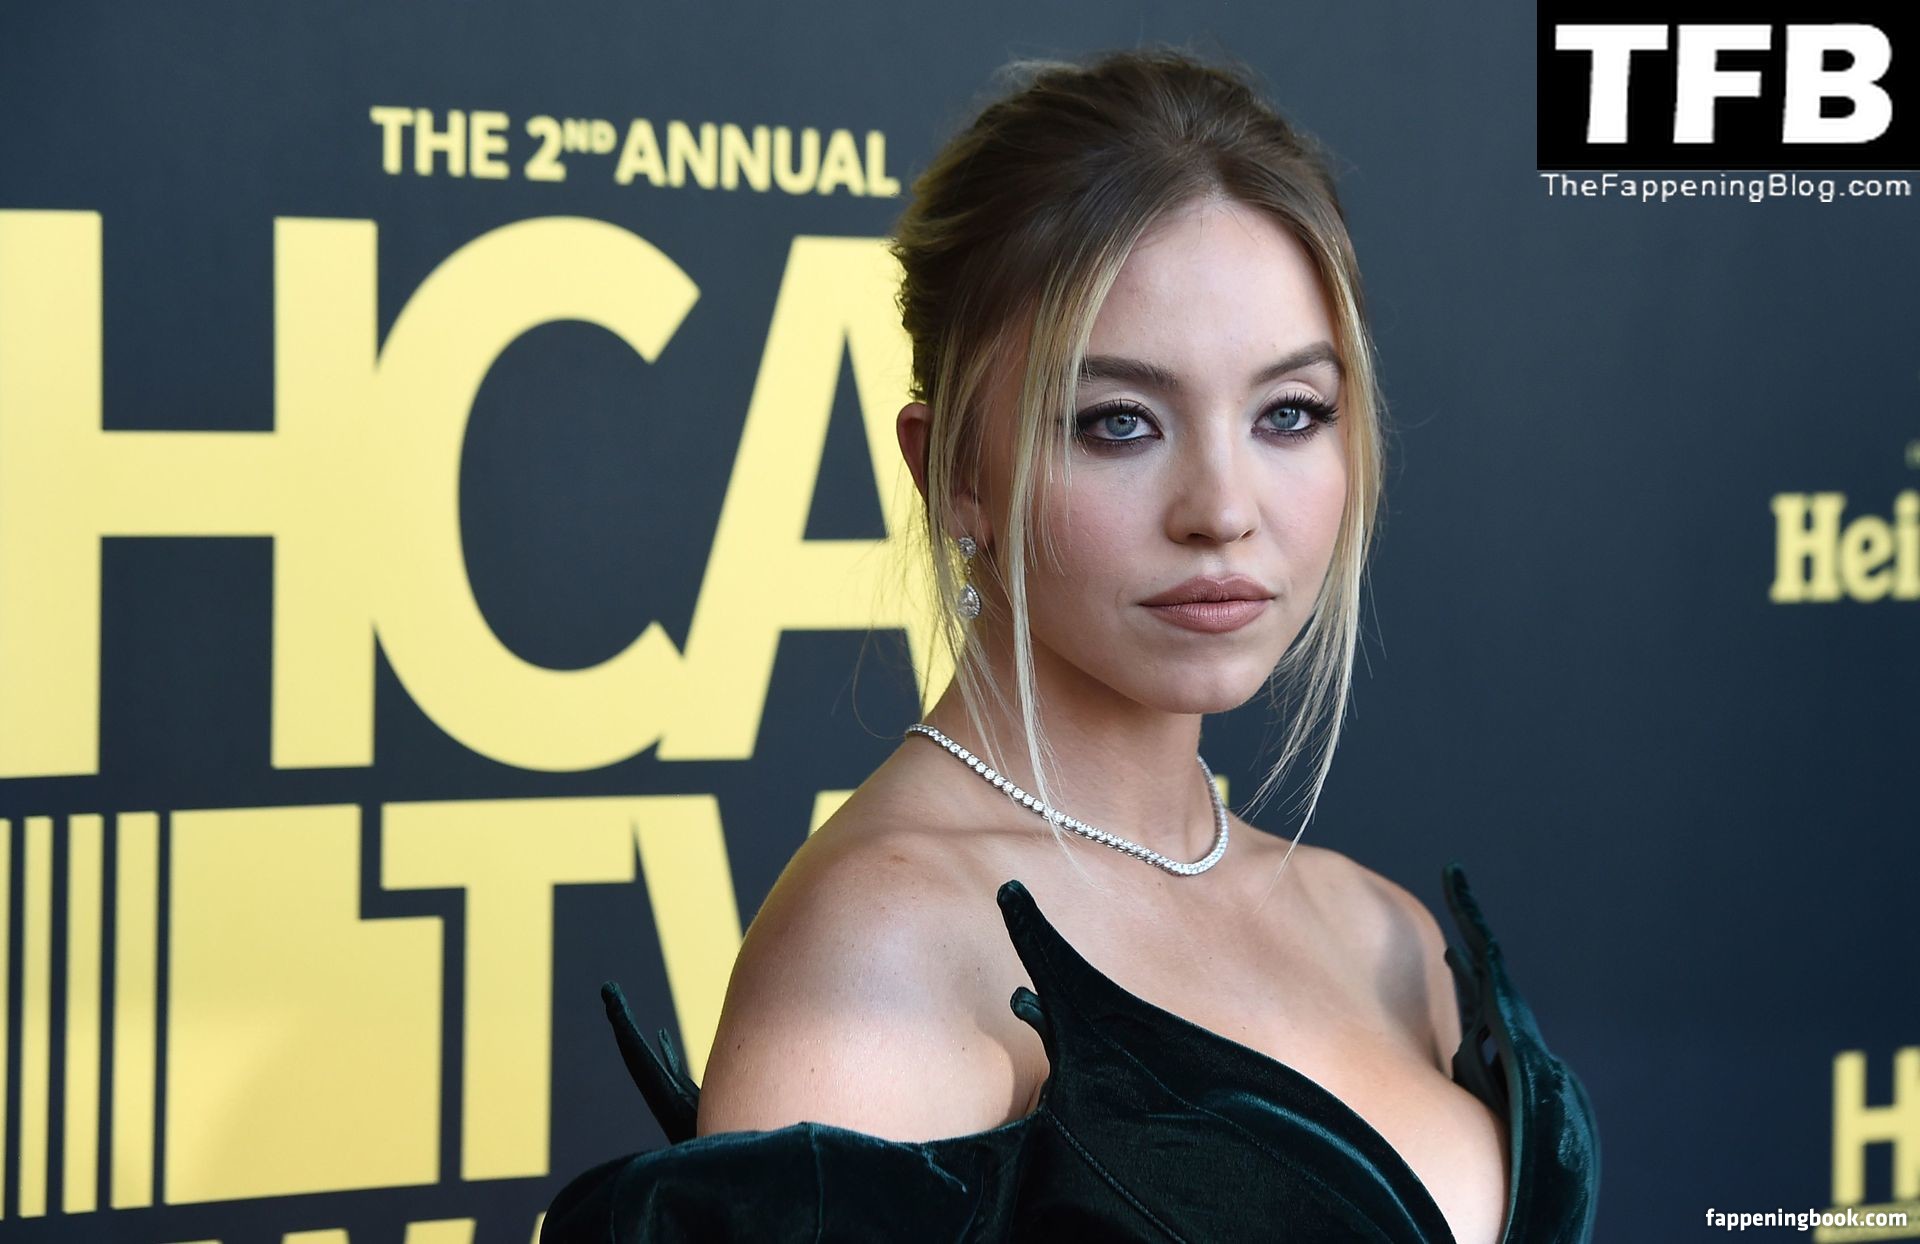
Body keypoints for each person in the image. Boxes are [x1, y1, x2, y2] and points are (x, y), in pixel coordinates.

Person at [542, 46, 1599, 1243]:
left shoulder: (1385, 931)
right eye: (1119, 422)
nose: (1223, 507)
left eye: (1290, 412)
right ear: (953, 472)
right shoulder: (883, 955)